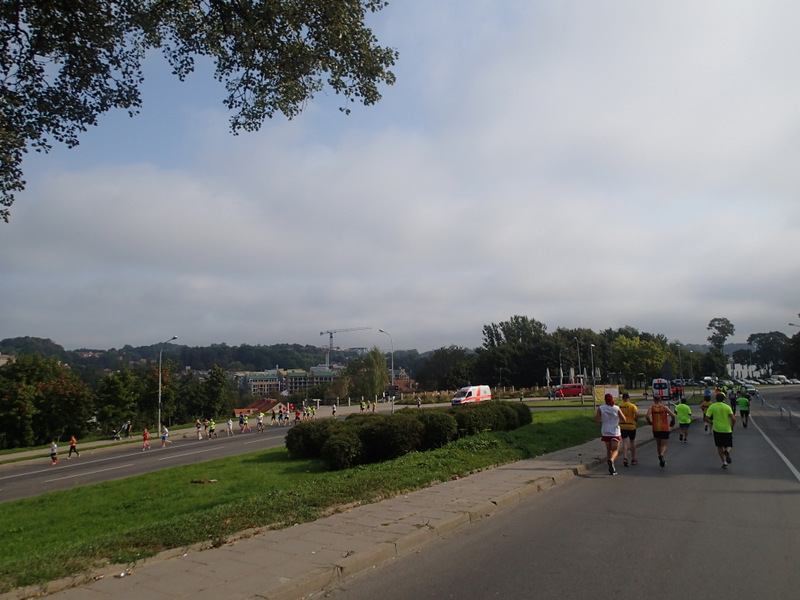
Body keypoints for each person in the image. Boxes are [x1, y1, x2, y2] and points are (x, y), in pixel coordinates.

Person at [595, 393, 627, 475]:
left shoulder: (601, 408)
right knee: (615, 450)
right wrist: (617, 420)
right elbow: (624, 419)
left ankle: (612, 468)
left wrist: (604, 421)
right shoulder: (616, 408)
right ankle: (611, 460)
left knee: (608, 450)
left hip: (605, 431)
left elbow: (597, 420)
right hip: (615, 431)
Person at [705, 392, 735, 469]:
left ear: (715, 399)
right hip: (727, 429)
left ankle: (724, 462)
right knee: (729, 445)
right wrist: (732, 426)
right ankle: (727, 452)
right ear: (723, 399)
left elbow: (706, 417)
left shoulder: (712, 407)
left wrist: (711, 422)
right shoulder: (727, 407)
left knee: (719, 446)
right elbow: (733, 418)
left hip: (717, 429)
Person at [646, 394, 677, 467]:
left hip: (656, 428)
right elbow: (673, 415)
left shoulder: (651, 408)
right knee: (664, 445)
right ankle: (662, 455)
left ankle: (659, 456)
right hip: (664, 428)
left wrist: (649, 422)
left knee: (658, 444)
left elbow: (647, 416)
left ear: (654, 400)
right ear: (661, 400)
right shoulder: (664, 408)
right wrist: (672, 421)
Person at [617, 393, 639, 466]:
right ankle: (633, 458)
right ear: (629, 398)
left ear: (623, 398)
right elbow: (636, 414)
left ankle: (625, 458)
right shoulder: (632, 406)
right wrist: (635, 419)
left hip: (622, 425)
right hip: (631, 425)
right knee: (632, 442)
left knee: (625, 442)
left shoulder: (619, 406)